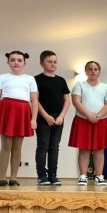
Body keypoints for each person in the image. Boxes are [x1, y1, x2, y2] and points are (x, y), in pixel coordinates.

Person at [0, 51, 38, 186]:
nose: (16, 62)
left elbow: (34, 100)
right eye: (12, 60)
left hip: (22, 111)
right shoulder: (2, 77)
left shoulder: (30, 79)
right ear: (8, 62)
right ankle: (2, 177)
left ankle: (13, 177)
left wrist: (33, 119)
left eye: (19, 60)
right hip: (6, 110)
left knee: (17, 146)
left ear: (24, 63)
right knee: (6, 145)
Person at [68, 61, 107, 186]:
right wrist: (89, 115)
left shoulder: (105, 87)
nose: (93, 71)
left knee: (99, 150)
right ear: (86, 71)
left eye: (95, 69)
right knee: (84, 149)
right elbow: (76, 102)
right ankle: (83, 176)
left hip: (100, 121)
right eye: (90, 68)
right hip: (83, 120)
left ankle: (99, 176)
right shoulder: (79, 85)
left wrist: (97, 116)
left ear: (99, 72)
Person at [34, 51, 70, 185]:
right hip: (43, 117)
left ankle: (52, 175)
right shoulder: (36, 79)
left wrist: (61, 116)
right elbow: (35, 100)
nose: (53, 64)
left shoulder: (61, 80)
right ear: (41, 63)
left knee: (54, 147)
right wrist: (46, 116)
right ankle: (41, 175)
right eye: (49, 62)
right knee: (43, 146)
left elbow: (67, 100)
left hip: (58, 117)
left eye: (55, 62)